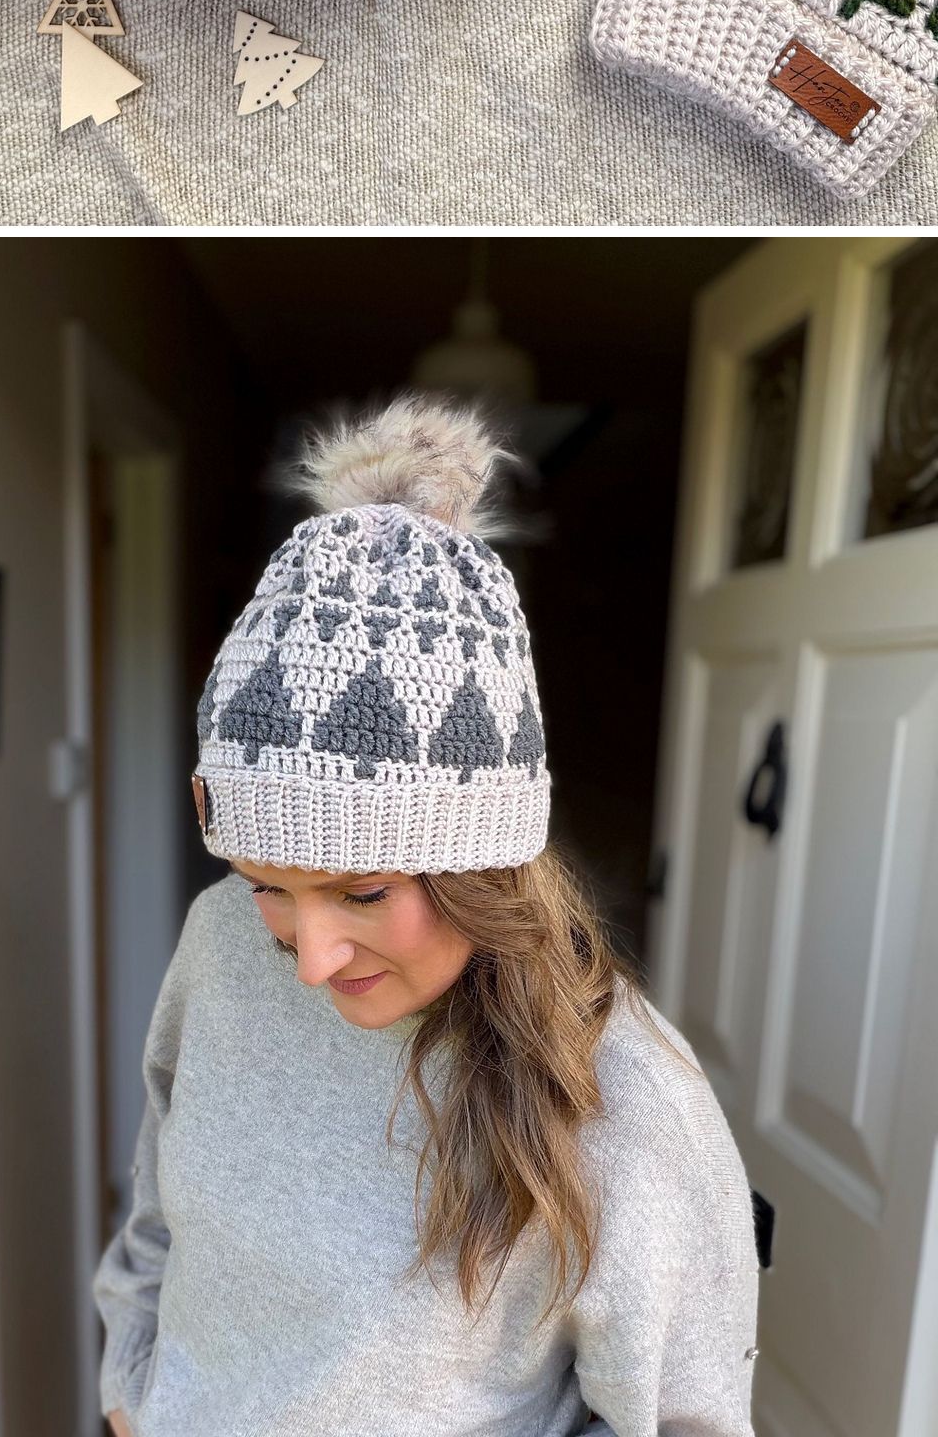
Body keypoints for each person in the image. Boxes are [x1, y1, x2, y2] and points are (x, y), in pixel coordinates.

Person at [94, 395, 759, 1436]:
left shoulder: (622, 1102)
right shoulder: (221, 944)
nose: (308, 958)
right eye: (268, 881)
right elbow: (156, 1221)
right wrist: (132, 1398)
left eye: (362, 893)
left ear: (481, 868)